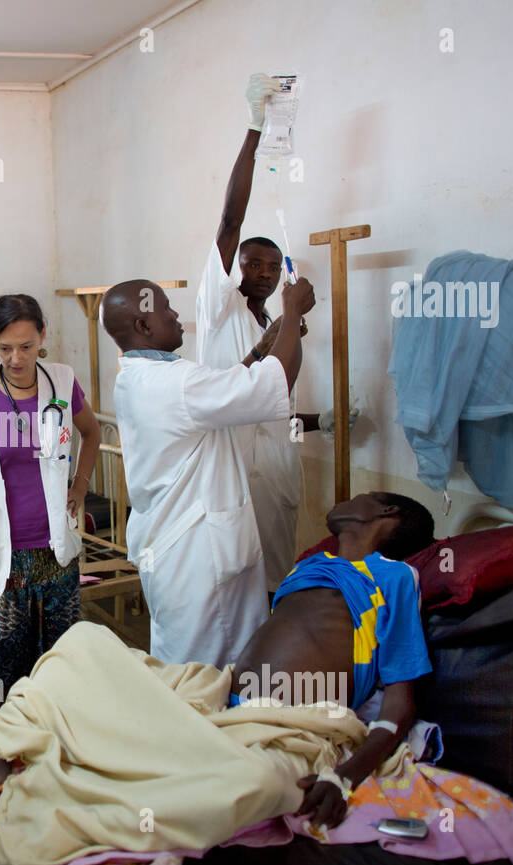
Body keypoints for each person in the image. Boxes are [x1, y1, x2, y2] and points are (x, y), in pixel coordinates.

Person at [0, 491, 435, 865]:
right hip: (217, 693)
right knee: (83, 645)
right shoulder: (312, 565)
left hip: (291, 723)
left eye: (363, 494)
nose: (344, 502)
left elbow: (400, 702)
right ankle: (0, 750)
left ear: (385, 511)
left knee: (259, 785)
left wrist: (345, 774)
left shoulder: (395, 577)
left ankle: (36, 820)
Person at [195, 73, 359, 595]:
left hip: (276, 477)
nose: (263, 272)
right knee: (233, 592)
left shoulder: (275, 326)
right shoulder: (220, 308)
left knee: (272, 589)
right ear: (234, 267)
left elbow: (270, 406)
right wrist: (254, 131)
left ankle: (264, 673)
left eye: (272, 265)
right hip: (233, 478)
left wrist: (317, 422)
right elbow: (229, 221)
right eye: (252, 263)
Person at [103, 275, 312, 666]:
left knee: (184, 662)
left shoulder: (139, 377)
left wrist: (257, 351)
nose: (176, 313)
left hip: (177, 548)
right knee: (206, 672)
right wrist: (293, 309)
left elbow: (218, 393)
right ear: (144, 326)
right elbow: (274, 385)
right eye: (165, 308)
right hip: (199, 554)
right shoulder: (174, 383)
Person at [0, 294, 101, 722]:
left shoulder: (62, 383)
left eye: (26, 346)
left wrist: (80, 486)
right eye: (4, 347)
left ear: (42, 337)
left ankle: (56, 751)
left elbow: (92, 434)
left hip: (54, 553)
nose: (15, 358)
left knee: (60, 665)